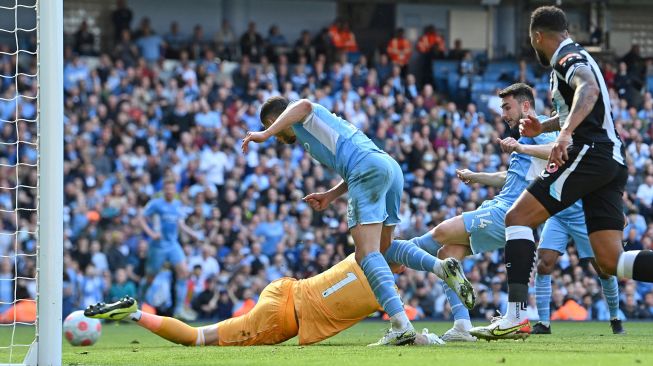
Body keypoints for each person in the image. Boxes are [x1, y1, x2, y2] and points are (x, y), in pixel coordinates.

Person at [469, 5, 653, 341]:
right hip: (609, 160)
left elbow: (589, 91)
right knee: (611, 260)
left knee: (517, 217)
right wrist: (547, 125)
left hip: (589, 154)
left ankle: (516, 315)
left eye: (532, 41)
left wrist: (565, 134)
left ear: (537, 36)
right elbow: (578, 105)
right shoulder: (573, 57)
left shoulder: (567, 59)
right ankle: (520, 315)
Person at [241, 96, 473, 346]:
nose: (274, 135)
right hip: (388, 168)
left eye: (270, 125)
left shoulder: (302, 114)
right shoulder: (312, 130)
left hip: (368, 169)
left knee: (366, 255)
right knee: (384, 250)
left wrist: (263, 134)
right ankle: (441, 267)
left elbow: (304, 105)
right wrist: (331, 195)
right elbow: (352, 166)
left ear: (276, 119)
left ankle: (401, 326)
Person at [400, 83, 554, 342]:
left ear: (525, 106)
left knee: (441, 232)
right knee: (448, 254)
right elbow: (511, 176)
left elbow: (557, 152)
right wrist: (476, 176)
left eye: (507, 107)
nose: (503, 113)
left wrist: (521, 147)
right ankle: (462, 325)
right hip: (499, 207)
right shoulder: (524, 135)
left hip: (508, 211)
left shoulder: (536, 128)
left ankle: (393, 258)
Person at [84, 252, 445, 347]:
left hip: (284, 288)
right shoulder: (388, 294)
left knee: (207, 333)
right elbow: (407, 331)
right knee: (199, 338)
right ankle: (133, 316)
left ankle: (131, 314)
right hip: (285, 318)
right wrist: (429, 338)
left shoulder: (362, 254)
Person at [499, 131, 625, 335]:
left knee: (603, 269)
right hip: (557, 215)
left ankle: (615, 318)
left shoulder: (580, 145)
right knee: (544, 263)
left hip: (582, 216)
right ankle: (544, 323)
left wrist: (615, 213)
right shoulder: (552, 141)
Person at [138, 178, 202, 320]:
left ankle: (179, 309)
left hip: (173, 245)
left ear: (175, 191)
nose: (169, 191)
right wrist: (151, 234)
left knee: (184, 272)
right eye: (167, 189)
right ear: (163, 191)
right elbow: (141, 218)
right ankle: (138, 304)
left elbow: (180, 223)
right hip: (158, 247)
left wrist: (192, 234)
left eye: (172, 189)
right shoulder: (156, 204)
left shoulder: (177, 205)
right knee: (150, 278)